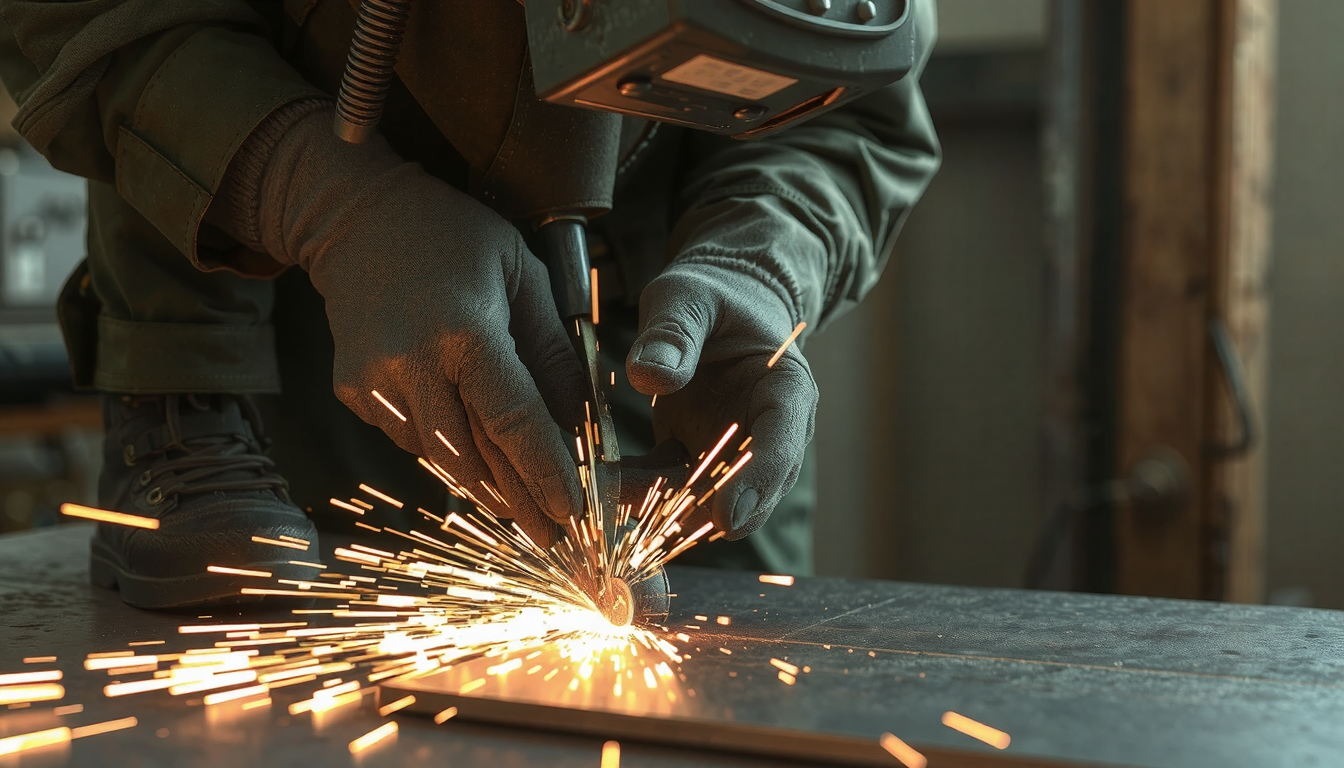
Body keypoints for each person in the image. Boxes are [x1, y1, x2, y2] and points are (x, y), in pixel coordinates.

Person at [0, 1, 940, 609]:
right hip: (286, 323)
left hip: (656, 341)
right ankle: (182, 403)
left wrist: (758, 267)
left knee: (720, 662)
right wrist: (330, 203)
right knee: (278, 649)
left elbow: (853, 98)